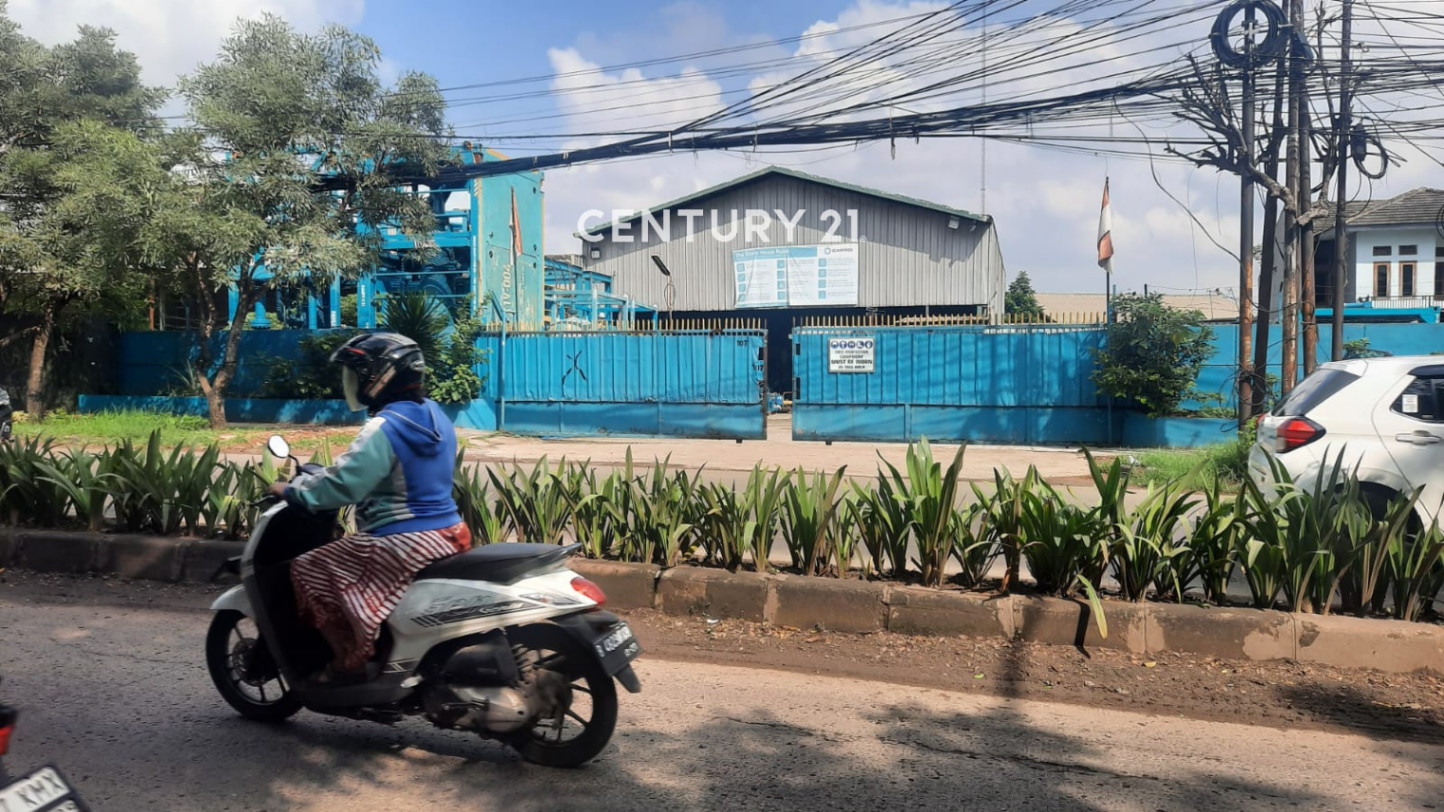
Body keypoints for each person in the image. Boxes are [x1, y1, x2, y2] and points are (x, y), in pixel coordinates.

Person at [268, 332, 470, 683]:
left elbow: (345, 485)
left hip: (404, 541)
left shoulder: (384, 427)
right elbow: (371, 472)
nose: (354, 384)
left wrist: (292, 491)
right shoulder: (435, 415)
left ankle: (350, 660)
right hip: (448, 531)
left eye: (357, 375)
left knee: (306, 567)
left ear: (380, 377)